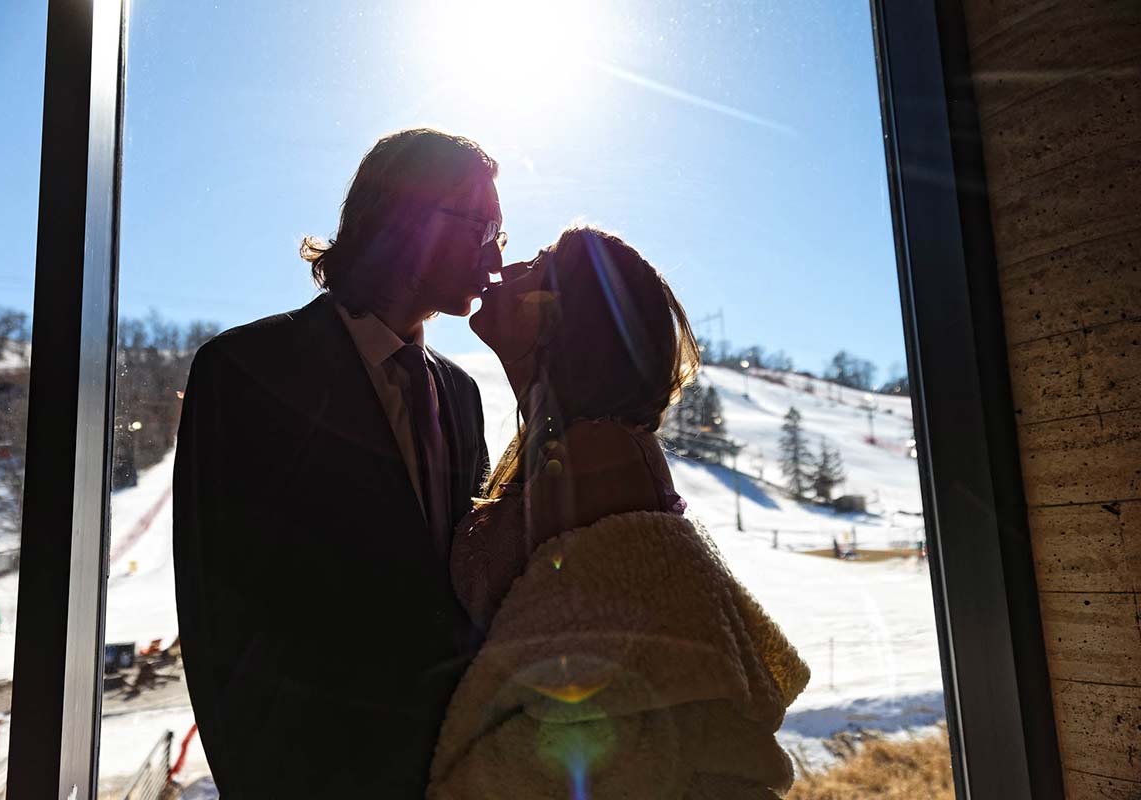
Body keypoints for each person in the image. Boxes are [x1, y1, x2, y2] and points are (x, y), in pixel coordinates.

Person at [173, 128, 503, 798]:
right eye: (484, 227)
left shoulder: (461, 395)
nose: (496, 257)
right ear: (408, 219)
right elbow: (218, 624)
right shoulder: (245, 372)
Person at [429, 228, 810, 798]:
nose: (503, 270)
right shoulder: (558, 446)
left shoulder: (596, 456)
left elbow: (598, 699)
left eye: (534, 265)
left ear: (562, 318)